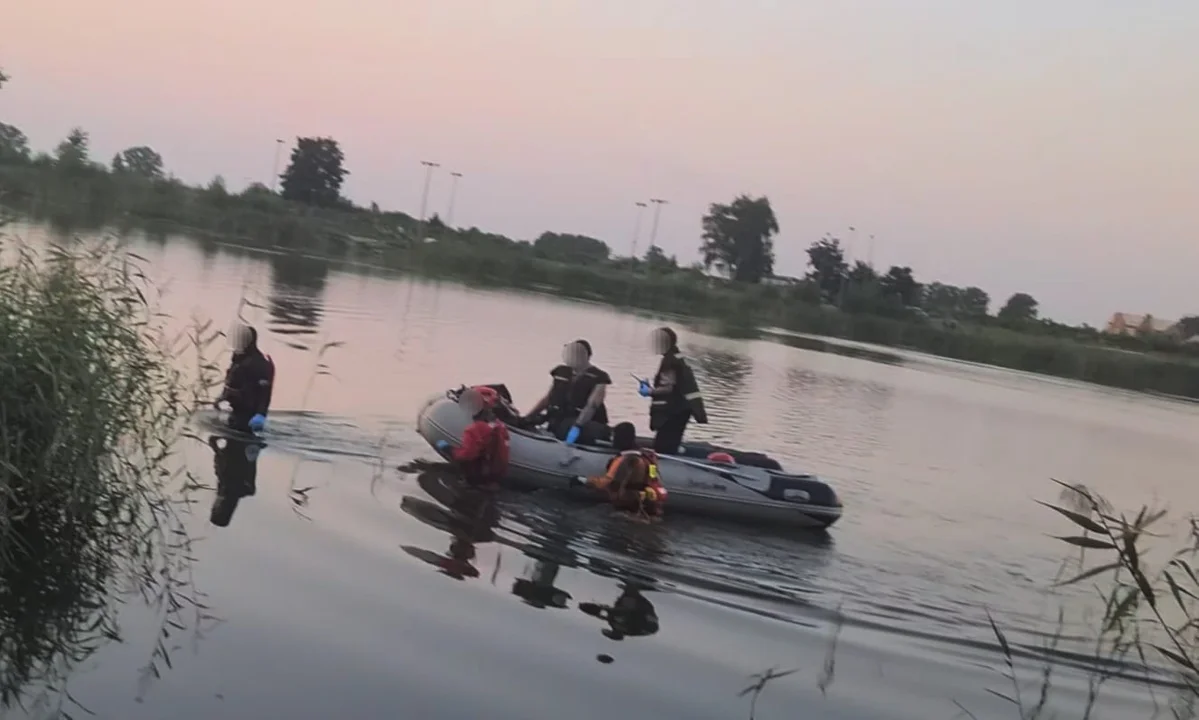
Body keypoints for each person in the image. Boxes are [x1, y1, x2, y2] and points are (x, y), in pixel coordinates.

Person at [521, 339, 612, 445]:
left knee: (566, 427)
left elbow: (592, 405)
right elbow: (548, 398)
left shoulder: (600, 378)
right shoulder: (561, 371)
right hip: (557, 418)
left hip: (581, 423)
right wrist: (528, 417)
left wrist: (577, 426)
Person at [637, 326, 707, 454]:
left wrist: (648, 391)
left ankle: (657, 470)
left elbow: (668, 388)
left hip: (673, 412)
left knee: (663, 447)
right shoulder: (676, 357)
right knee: (670, 443)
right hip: (681, 409)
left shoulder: (669, 361)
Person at [582, 421, 667, 520]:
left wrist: (584, 480)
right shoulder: (648, 459)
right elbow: (653, 479)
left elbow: (608, 482)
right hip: (646, 508)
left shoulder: (624, 460)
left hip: (627, 511)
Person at [435, 386, 511, 488]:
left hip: (478, 480)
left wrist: (447, 448)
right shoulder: (499, 426)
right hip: (494, 479)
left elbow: (466, 455)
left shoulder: (475, 430)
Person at [214, 324, 275, 434]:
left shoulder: (260, 363)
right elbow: (231, 382)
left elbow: (265, 392)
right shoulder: (238, 359)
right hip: (235, 410)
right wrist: (221, 397)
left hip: (249, 415)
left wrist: (261, 414)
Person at [208, 434, 262, 528]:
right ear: (219, 508)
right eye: (214, 509)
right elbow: (219, 456)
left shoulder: (246, 489)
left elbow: (252, 459)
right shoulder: (225, 484)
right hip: (238, 436)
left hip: (251, 442)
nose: (213, 505)